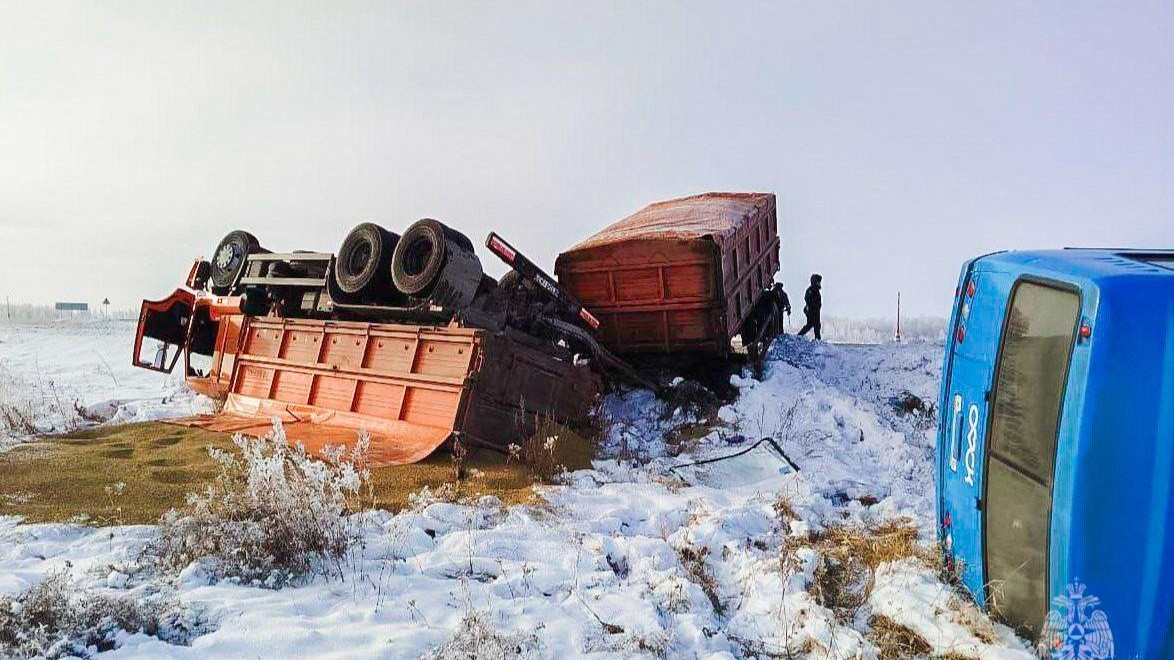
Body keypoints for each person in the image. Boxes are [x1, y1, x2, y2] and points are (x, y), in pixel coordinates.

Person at [797, 273, 822, 340]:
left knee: (816, 325)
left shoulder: (815, 290)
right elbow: (807, 299)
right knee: (810, 324)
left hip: (816, 311)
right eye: (818, 282)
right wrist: (811, 307)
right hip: (811, 310)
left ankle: (817, 339)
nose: (819, 283)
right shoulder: (811, 290)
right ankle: (799, 336)